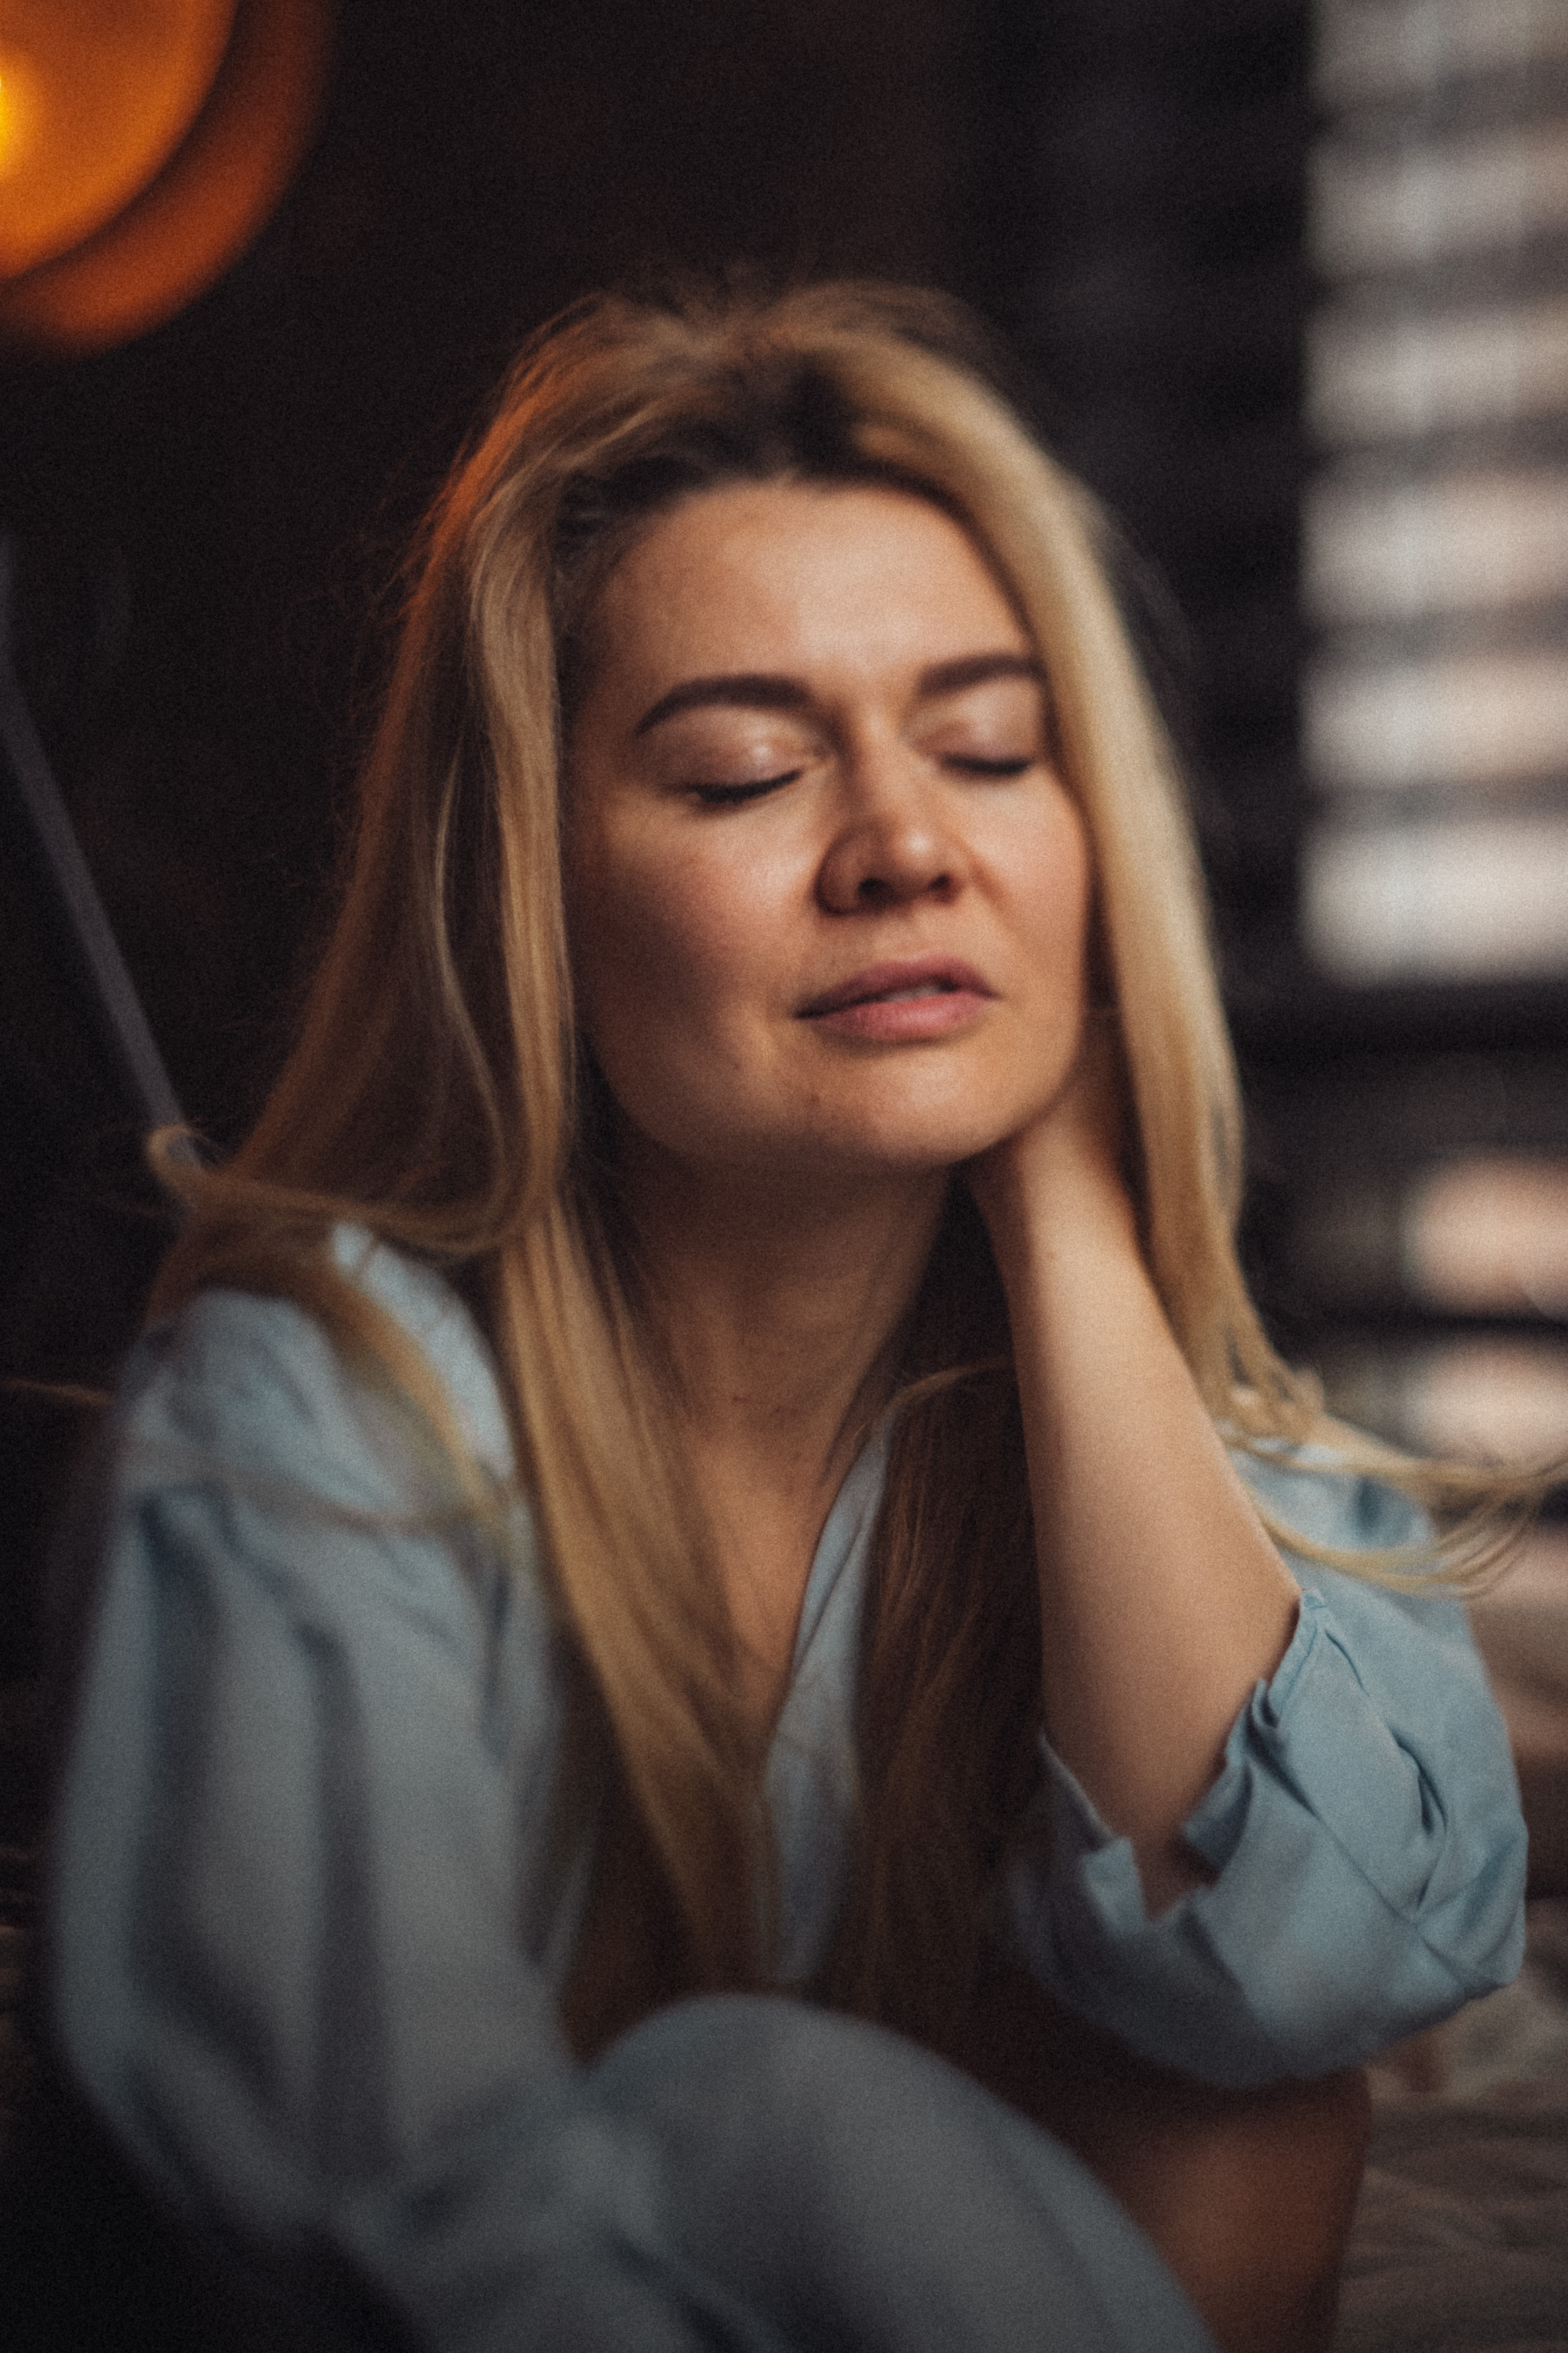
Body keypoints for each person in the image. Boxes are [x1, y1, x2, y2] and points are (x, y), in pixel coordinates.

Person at [41, 283, 1530, 2353]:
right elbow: (374, 2218)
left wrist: (1073, 1215)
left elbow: (1311, 1967)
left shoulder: (1120, 1404)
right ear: (536, 891)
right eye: (745, 772)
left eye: (993, 748)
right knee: (743, 2109)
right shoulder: (323, 1400)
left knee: (1234, 2099)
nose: (909, 845)